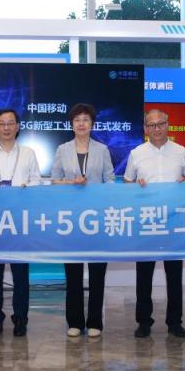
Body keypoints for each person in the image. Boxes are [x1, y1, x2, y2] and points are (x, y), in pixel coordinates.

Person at [124, 108, 185, 339]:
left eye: (161, 123)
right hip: (147, 221)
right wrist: (136, 187)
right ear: (145, 129)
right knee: (144, 274)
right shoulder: (136, 153)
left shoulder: (181, 152)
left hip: (174, 222)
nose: (157, 129)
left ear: (168, 125)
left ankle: (175, 322)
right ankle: (144, 321)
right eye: (151, 125)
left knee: (175, 275)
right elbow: (127, 184)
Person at [0, 108, 42, 337]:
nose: (6, 127)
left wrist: (25, 188)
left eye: (10, 123)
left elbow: (37, 181)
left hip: (20, 221)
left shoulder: (28, 154)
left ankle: (20, 318)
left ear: (18, 127)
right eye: (1, 123)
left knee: (21, 273)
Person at [51, 103, 115, 339]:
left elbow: (110, 181)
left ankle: (95, 321)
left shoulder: (102, 149)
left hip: (97, 217)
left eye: (85, 119)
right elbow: (54, 181)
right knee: (73, 273)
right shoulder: (62, 149)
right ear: (71, 124)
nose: (81, 124)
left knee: (97, 273)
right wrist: (72, 183)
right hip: (71, 218)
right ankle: (75, 322)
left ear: (92, 124)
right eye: (77, 120)